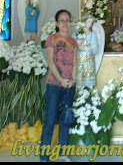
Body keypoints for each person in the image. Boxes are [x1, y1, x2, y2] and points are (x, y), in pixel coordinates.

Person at [40, 9, 78, 162]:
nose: (65, 23)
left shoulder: (73, 41)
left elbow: (75, 62)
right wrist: (61, 80)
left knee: (65, 121)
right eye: (62, 21)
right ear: (56, 23)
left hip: (70, 86)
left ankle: (63, 154)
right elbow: (50, 61)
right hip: (54, 85)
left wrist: (73, 79)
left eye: (67, 20)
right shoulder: (52, 39)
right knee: (50, 120)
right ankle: (44, 156)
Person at [73, 17, 99, 89]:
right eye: (88, 21)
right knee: (79, 81)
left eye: (91, 22)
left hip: (89, 61)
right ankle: (78, 96)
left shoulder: (92, 34)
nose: (90, 24)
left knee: (88, 82)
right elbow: (72, 44)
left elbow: (95, 48)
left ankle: (88, 96)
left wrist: (85, 48)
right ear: (84, 22)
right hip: (79, 60)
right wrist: (77, 44)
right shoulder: (77, 33)